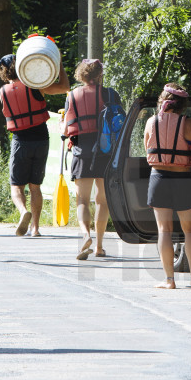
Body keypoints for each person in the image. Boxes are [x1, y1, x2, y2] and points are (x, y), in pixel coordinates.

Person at [144, 83, 191, 289]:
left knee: (164, 230)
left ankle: (169, 280)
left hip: (158, 180)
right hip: (183, 180)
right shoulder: (190, 124)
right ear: (182, 106)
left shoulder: (150, 122)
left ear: (162, 101)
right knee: (190, 230)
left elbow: (147, 149)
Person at [0, 53, 69, 237]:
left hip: (21, 140)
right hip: (41, 139)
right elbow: (64, 87)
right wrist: (58, 63)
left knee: (17, 186)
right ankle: (35, 228)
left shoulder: (2, 92)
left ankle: (23, 212)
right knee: (35, 186)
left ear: (4, 71)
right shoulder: (36, 86)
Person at [62, 58, 119, 260]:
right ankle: (100, 246)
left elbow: (66, 126)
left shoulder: (72, 95)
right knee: (102, 200)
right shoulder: (110, 94)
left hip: (81, 150)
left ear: (81, 74)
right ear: (99, 74)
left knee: (83, 200)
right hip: (106, 150)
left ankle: (86, 234)